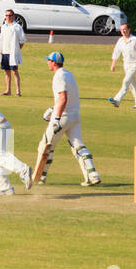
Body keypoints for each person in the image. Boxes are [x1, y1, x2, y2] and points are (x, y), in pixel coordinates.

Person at [35, 51, 101, 186]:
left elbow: (63, 98)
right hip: (75, 116)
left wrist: (57, 118)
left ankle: (40, 176)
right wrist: (53, 109)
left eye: (48, 60)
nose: (47, 62)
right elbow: (67, 98)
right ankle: (92, 175)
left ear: (53, 62)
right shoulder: (69, 74)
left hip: (63, 116)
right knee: (78, 146)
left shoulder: (58, 76)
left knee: (46, 146)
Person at [109, 21, 136, 108]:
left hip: (135, 64)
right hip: (126, 65)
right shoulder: (120, 40)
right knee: (132, 85)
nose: (123, 31)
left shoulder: (134, 40)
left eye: (125, 29)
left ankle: (117, 100)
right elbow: (116, 53)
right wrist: (113, 64)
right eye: (122, 30)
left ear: (129, 30)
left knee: (126, 81)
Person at [0, 9, 26, 96]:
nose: (8, 17)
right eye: (6, 15)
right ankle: (8, 90)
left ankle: (18, 91)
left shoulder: (17, 27)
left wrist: (17, 50)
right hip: (4, 52)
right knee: (6, 72)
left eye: (9, 15)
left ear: (13, 16)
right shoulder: (3, 27)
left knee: (14, 71)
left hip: (12, 53)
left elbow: (22, 40)